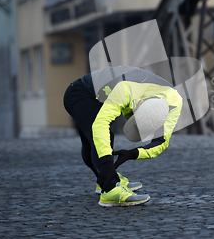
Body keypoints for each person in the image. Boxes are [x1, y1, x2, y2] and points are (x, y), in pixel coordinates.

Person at [63, 65, 183, 207]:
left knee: (93, 141)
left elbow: (161, 142)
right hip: (80, 93)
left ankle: (104, 180)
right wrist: (107, 164)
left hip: (105, 94)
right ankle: (110, 189)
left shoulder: (174, 101)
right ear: (140, 102)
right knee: (98, 136)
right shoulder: (126, 89)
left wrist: (132, 153)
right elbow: (101, 124)